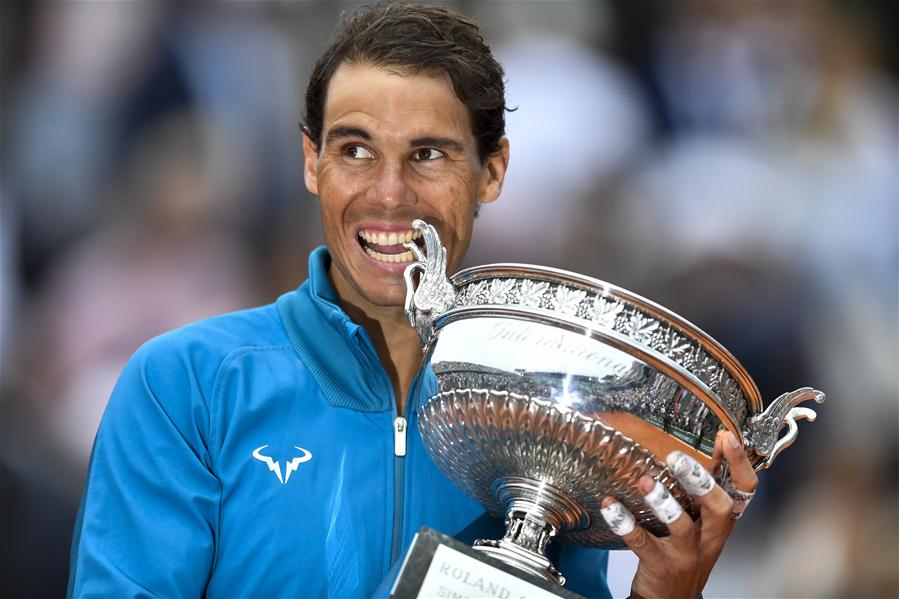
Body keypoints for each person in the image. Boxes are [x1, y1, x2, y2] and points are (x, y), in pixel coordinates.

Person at [67, 4, 757, 598]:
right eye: (355, 150)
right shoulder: (186, 385)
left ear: (492, 171)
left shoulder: (551, 413)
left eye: (428, 154)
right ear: (312, 162)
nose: (390, 194)